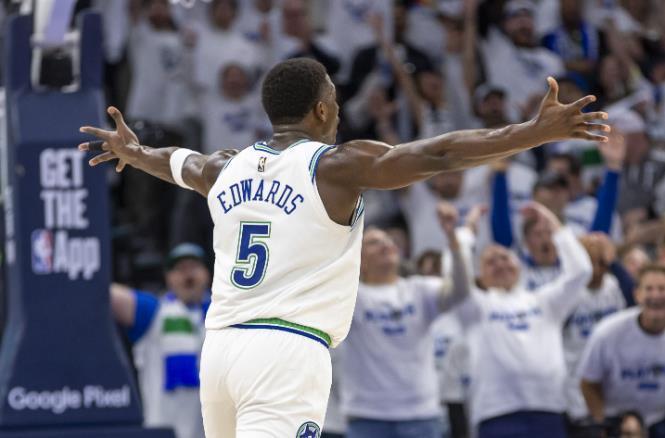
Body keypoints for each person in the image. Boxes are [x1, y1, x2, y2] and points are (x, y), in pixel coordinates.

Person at [78, 57, 609, 437]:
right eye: (333, 100)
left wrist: (136, 152)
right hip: (285, 351)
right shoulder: (333, 166)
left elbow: (177, 162)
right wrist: (532, 133)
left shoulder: (225, 166)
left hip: (220, 351)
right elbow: (441, 154)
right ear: (319, 109)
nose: (338, 111)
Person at [443, 202, 593, 438]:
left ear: (519, 266)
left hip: (549, 410)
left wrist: (554, 225)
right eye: (491, 261)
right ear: (480, 276)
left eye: (505, 258)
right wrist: (467, 231)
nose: (500, 264)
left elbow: (581, 272)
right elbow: (454, 275)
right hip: (497, 414)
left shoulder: (544, 302)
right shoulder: (475, 306)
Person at [338, 203, 470, 438]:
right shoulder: (351, 297)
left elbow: (460, 291)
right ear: (359, 258)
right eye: (374, 242)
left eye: (389, 241)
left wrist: (453, 238)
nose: (386, 244)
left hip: (422, 415)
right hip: (368, 417)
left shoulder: (419, 290)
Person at [111, 243, 211, 438]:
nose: (188, 274)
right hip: (163, 432)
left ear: (207, 274)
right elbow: (105, 294)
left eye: (194, 267)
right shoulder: (154, 312)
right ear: (168, 278)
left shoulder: (226, 315)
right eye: (180, 269)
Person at [578, 265, 665, 438]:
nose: (656, 295)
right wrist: (601, 423)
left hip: (659, 418)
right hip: (615, 418)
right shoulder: (607, 333)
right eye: (649, 289)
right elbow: (588, 382)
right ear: (637, 294)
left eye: (662, 289)